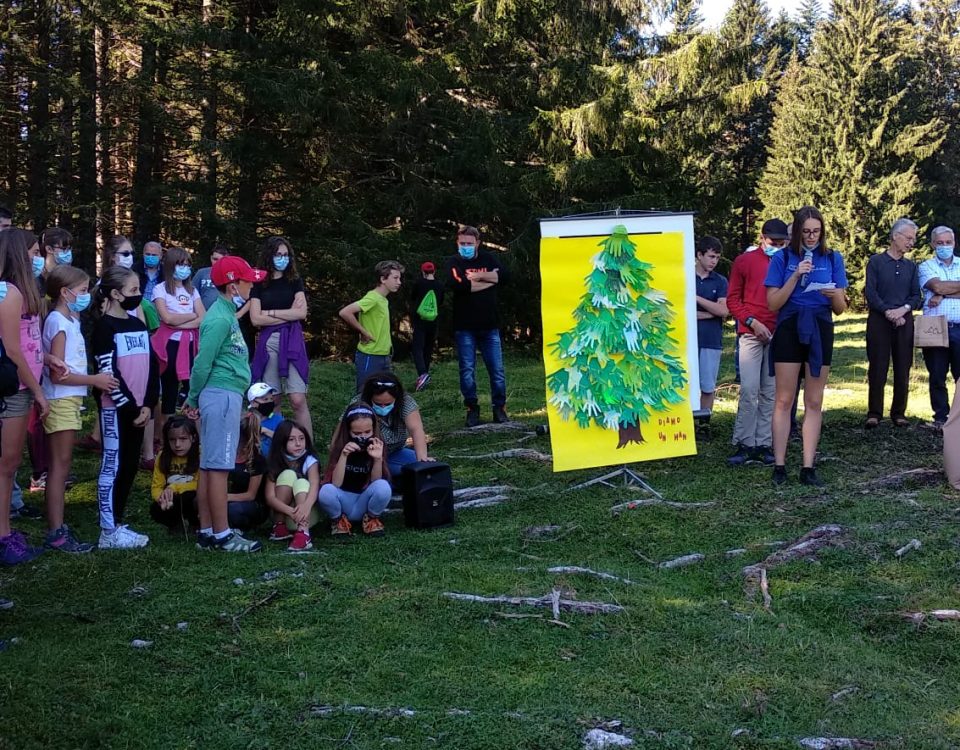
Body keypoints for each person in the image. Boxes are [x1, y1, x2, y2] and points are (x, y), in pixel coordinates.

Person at [184, 255, 266, 552]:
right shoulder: (218, 318)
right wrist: (193, 397)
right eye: (248, 281)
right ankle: (222, 534)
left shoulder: (225, 313)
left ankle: (207, 530)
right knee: (218, 468)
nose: (252, 286)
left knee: (210, 467)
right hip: (221, 396)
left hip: (223, 395)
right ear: (233, 285)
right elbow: (202, 363)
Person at [765, 206, 848, 486]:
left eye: (817, 231)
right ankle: (779, 466)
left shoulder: (833, 257)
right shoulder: (782, 258)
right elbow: (773, 303)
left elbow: (840, 309)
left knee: (813, 400)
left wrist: (835, 293)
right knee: (784, 399)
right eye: (807, 231)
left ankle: (808, 466)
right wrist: (795, 276)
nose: (812, 236)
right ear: (798, 231)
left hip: (820, 327)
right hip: (789, 326)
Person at [37, 265, 106, 554]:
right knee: (60, 467)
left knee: (62, 466)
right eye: (81, 291)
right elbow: (58, 374)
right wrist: (94, 379)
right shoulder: (59, 323)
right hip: (60, 399)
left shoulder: (69, 319)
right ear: (65, 293)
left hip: (69, 399)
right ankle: (56, 531)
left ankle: (58, 526)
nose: (86, 296)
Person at [92, 266, 160, 548]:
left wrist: (148, 405)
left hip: (140, 410)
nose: (138, 296)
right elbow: (109, 374)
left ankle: (117, 521)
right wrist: (132, 408)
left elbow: (151, 365)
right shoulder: (104, 328)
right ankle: (107, 530)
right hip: (116, 411)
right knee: (113, 465)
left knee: (130, 464)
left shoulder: (138, 325)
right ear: (116, 294)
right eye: (133, 291)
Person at [0, 230, 52, 564]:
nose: (38, 258)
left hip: (23, 386)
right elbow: (13, 350)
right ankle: (3, 537)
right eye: (34, 251)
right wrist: (38, 392)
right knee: (7, 465)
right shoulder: (11, 293)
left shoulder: (22, 292)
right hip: (15, 389)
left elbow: (30, 343)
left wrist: (48, 359)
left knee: (9, 464)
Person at [726, 219, 788, 466]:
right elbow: (732, 299)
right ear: (762, 238)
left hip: (778, 333)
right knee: (750, 390)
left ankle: (763, 443)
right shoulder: (745, 261)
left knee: (770, 392)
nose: (778, 246)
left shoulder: (787, 262)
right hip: (751, 333)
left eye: (782, 243)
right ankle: (744, 442)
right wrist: (752, 322)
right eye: (774, 242)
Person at [444, 225, 509, 427]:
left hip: (490, 326)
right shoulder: (453, 262)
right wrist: (490, 279)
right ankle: (472, 408)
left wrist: (478, 277)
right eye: (462, 243)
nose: (465, 247)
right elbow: (459, 285)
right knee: (467, 371)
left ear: (477, 243)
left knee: (497, 371)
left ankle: (499, 408)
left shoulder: (488, 258)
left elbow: (504, 277)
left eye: (469, 244)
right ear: (457, 242)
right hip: (464, 327)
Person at [249, 236, 312, 437]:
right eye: (278, 254)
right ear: (269, 256)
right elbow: (255, 319)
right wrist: (287, 314)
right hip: (269, 342)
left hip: (292, 340)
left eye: (286, 255)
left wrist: (270, 313)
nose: (282, 258)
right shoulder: (259, 283)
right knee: (273, 399)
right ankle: (277, 445)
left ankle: (307, 448)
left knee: (297, 399)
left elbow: (301, 313)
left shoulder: (294, 281)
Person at [864, 218, 922, 428]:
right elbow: (871, 292)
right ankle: (874, 412)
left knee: (902, 367)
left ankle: (899, 412)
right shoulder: (876, 262)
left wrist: (903, 310)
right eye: (908, 238)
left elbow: (916, 295)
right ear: (895, 236)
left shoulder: (911, 266)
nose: (911, 242)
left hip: (904, 322)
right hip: (879, 321)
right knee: (878, 367)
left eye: (913, 239)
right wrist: (887, 311)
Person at [151, 247, 204, 437]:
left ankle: (194, 438)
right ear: (171, 265)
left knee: (193, 388)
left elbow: (203, 318)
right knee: (169, 391)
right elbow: (167, 318)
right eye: (181, 264)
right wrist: (190, 317)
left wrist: (179, 322)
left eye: (188, 264)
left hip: (190, 346)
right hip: (169, 347)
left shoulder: (193, 290)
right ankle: (166, 438)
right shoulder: (160, 289)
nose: (185, 268)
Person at [319, 404, 391, 538]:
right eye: (357, 433)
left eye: (367, 432)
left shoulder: (377, 445)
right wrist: (344, 455)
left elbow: (376, 482)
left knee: (383, 487)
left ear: (373, 429)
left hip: (364, 500)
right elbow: (336, 484)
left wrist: (377, 459)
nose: (362, 437)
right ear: (348, 430)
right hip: (343, 499)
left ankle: (370, 518)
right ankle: (338, 520)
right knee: (326, 491)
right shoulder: (340, 446)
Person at [918, 225, 960, 429]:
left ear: (954, 243)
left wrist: (942, 294)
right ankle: (941, 418)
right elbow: (937, 286)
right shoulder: (926, 266)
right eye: (940, 243)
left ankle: (958, 419)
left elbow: (941, 289)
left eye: (948, 242)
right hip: (935, 328)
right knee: (937, 375)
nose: (945, 246)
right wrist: (941, 290)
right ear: (933, 244)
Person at [339, 260, 404, 392]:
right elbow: (345, 312)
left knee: (383, 396)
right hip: (370, 355)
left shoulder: (383, 299)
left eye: (400, 278)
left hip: (384, 356)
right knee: (365, 395)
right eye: (395, 278)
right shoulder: (373, 298)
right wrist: (363, 332)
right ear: (383, 279)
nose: (399, 282)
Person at [355, 372, 432, 480]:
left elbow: (416, 430)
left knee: (429, 466)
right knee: (394, 475)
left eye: (387, 404)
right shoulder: (358, 404)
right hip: (365, 456)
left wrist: (422, 460)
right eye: (378, 403)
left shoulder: (406, 402)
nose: (382, 407)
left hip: (395, 452)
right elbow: (341, 432)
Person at [264, 419, 321, 552]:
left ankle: (303, 534)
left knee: (301, 482)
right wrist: (290, 511)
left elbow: (314, 484)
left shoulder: (310, 461)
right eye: (291, 439)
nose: (298, 443)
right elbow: (270, 497)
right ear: (281, 441)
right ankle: (279, 527)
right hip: (285, 513)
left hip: (306, 515)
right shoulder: (275, 461)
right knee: (288, 474)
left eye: (301, 438)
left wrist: (305, 508)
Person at [695, 236, 728, 425]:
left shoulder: (720, 281)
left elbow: (723, 310)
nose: (714, 262)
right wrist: (711, 312)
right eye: (711, 257)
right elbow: (681, 312)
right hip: (687, 340)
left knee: (708, 386)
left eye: (717, 258)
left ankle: (704, 424)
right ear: (699, 255)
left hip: (711, 340)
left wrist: (697, 299)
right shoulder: (685, 276)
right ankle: (688, 425)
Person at [149, 415, 200, 533]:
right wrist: (161, 499)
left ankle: (196, 524)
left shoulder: (200, 455)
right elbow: (156, 486)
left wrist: (173, 488)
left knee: (195, 499)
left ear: (193, 438)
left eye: (183, 439)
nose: (177, 444)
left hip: (191, 496)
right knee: (155, 509)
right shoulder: (162, 457)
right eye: (172, 440)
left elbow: (199, 484)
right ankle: (176, 524)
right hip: (172, 499)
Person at [226, 410, 270, 532]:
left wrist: (223, 498)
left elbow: (250, 495)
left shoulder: (258, 460)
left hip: (253, 504)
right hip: (229, 499)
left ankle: (242, 527)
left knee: (232, 509)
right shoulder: (228, 455)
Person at [410, 261, 444, 391]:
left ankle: (423, 374)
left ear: (423, 272)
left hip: (420, 319)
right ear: (434, 271)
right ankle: (424, 377)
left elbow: (413, 297)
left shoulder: (419, 283)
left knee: (417, 347)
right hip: (433, 320)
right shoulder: (440, 285)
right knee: (428, 348)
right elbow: (440, 301)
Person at [246, 381, 282, 456]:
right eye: (265, 399)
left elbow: (285, 438)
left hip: (275, 461)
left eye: (271, 399)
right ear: (253, 403)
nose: (269, 402)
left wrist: (264, 430)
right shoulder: (247, 420)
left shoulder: (278, 419)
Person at [192, 244, 227, 312]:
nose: (217, 262)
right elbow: (191, 293)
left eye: (221, 260)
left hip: (223, 315)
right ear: (211, 258)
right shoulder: (202, 273)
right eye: (215, 259)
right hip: (202, 315)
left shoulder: (230, 275)